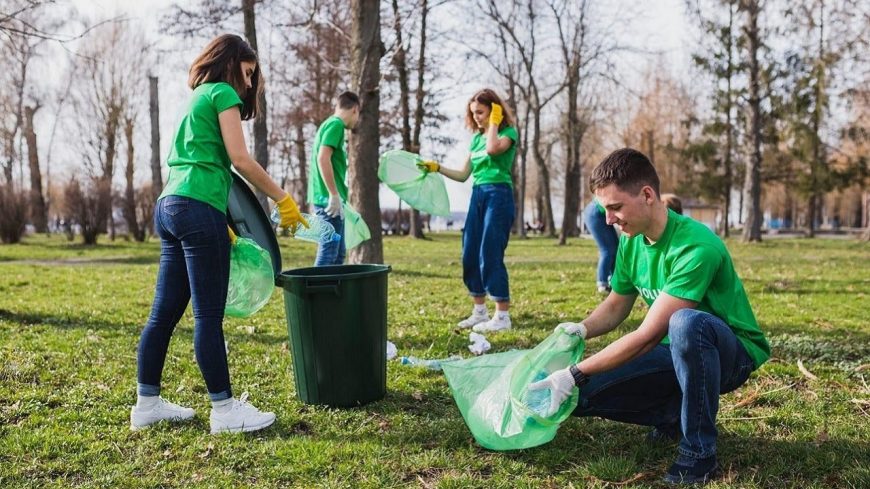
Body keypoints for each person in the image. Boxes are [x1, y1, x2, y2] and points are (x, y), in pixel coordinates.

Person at [528, 148, 770, 484]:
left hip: (728, 355)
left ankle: (698, 454)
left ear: (647, 195)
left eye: (615, 208)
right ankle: (674, 414)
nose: (609, 220)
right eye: (605, 210)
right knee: (577, 397)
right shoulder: (632, 240)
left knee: (687, 324)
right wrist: (580, 330)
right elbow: (616, 305)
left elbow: (647, 336)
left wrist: (575, 371)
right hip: (675, 349)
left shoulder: (696, 246)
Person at [131, 34, 308, 434]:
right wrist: (282, 199)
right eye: (247, 74)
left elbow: (203, 163)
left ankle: (147, 404)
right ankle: (225, 411)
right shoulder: (223, 92)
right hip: (196, 208)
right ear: (230, 64)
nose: (248, 85)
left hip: (171, 204)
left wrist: (222, 224)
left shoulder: (194, 98)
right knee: (207, 316)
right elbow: (239, 159)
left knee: (162, 316)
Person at [417, 88, 518, 332]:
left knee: (490, 252)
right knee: (470, 251)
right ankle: (480, 312)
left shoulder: (508, 132)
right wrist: (437, 167)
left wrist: (494, 122)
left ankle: (502, 316)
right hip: (478, 195)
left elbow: (493, 149)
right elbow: (463, 175)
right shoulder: (475, 140)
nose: (476, 118)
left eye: (481, 112)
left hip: (499, 194)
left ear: (494, 110)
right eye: (473, 114)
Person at [307, 91, 361, 266]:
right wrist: (334, 195)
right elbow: (323, 158)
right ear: (355, 109)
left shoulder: (329, 124)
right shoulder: (336, 125)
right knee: (329, 251)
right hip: (328, 201)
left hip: (330, 199)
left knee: (338, 254)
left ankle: (333, 293)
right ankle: (316, 293)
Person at [582, 198, 618, 293]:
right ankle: (602, 283)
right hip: (595, 212)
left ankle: (614, 280)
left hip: (600, 211)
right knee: (607, 250)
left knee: (616, 247)